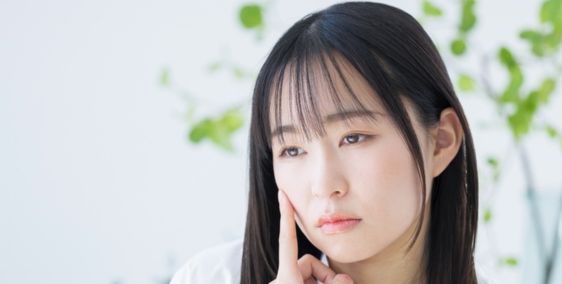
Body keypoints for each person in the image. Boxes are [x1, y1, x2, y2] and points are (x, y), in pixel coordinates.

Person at [172, 2, 484, 283]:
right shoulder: (212, 277)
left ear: (441, 142)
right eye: (292, 150)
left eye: (353, 137)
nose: (323, 186)